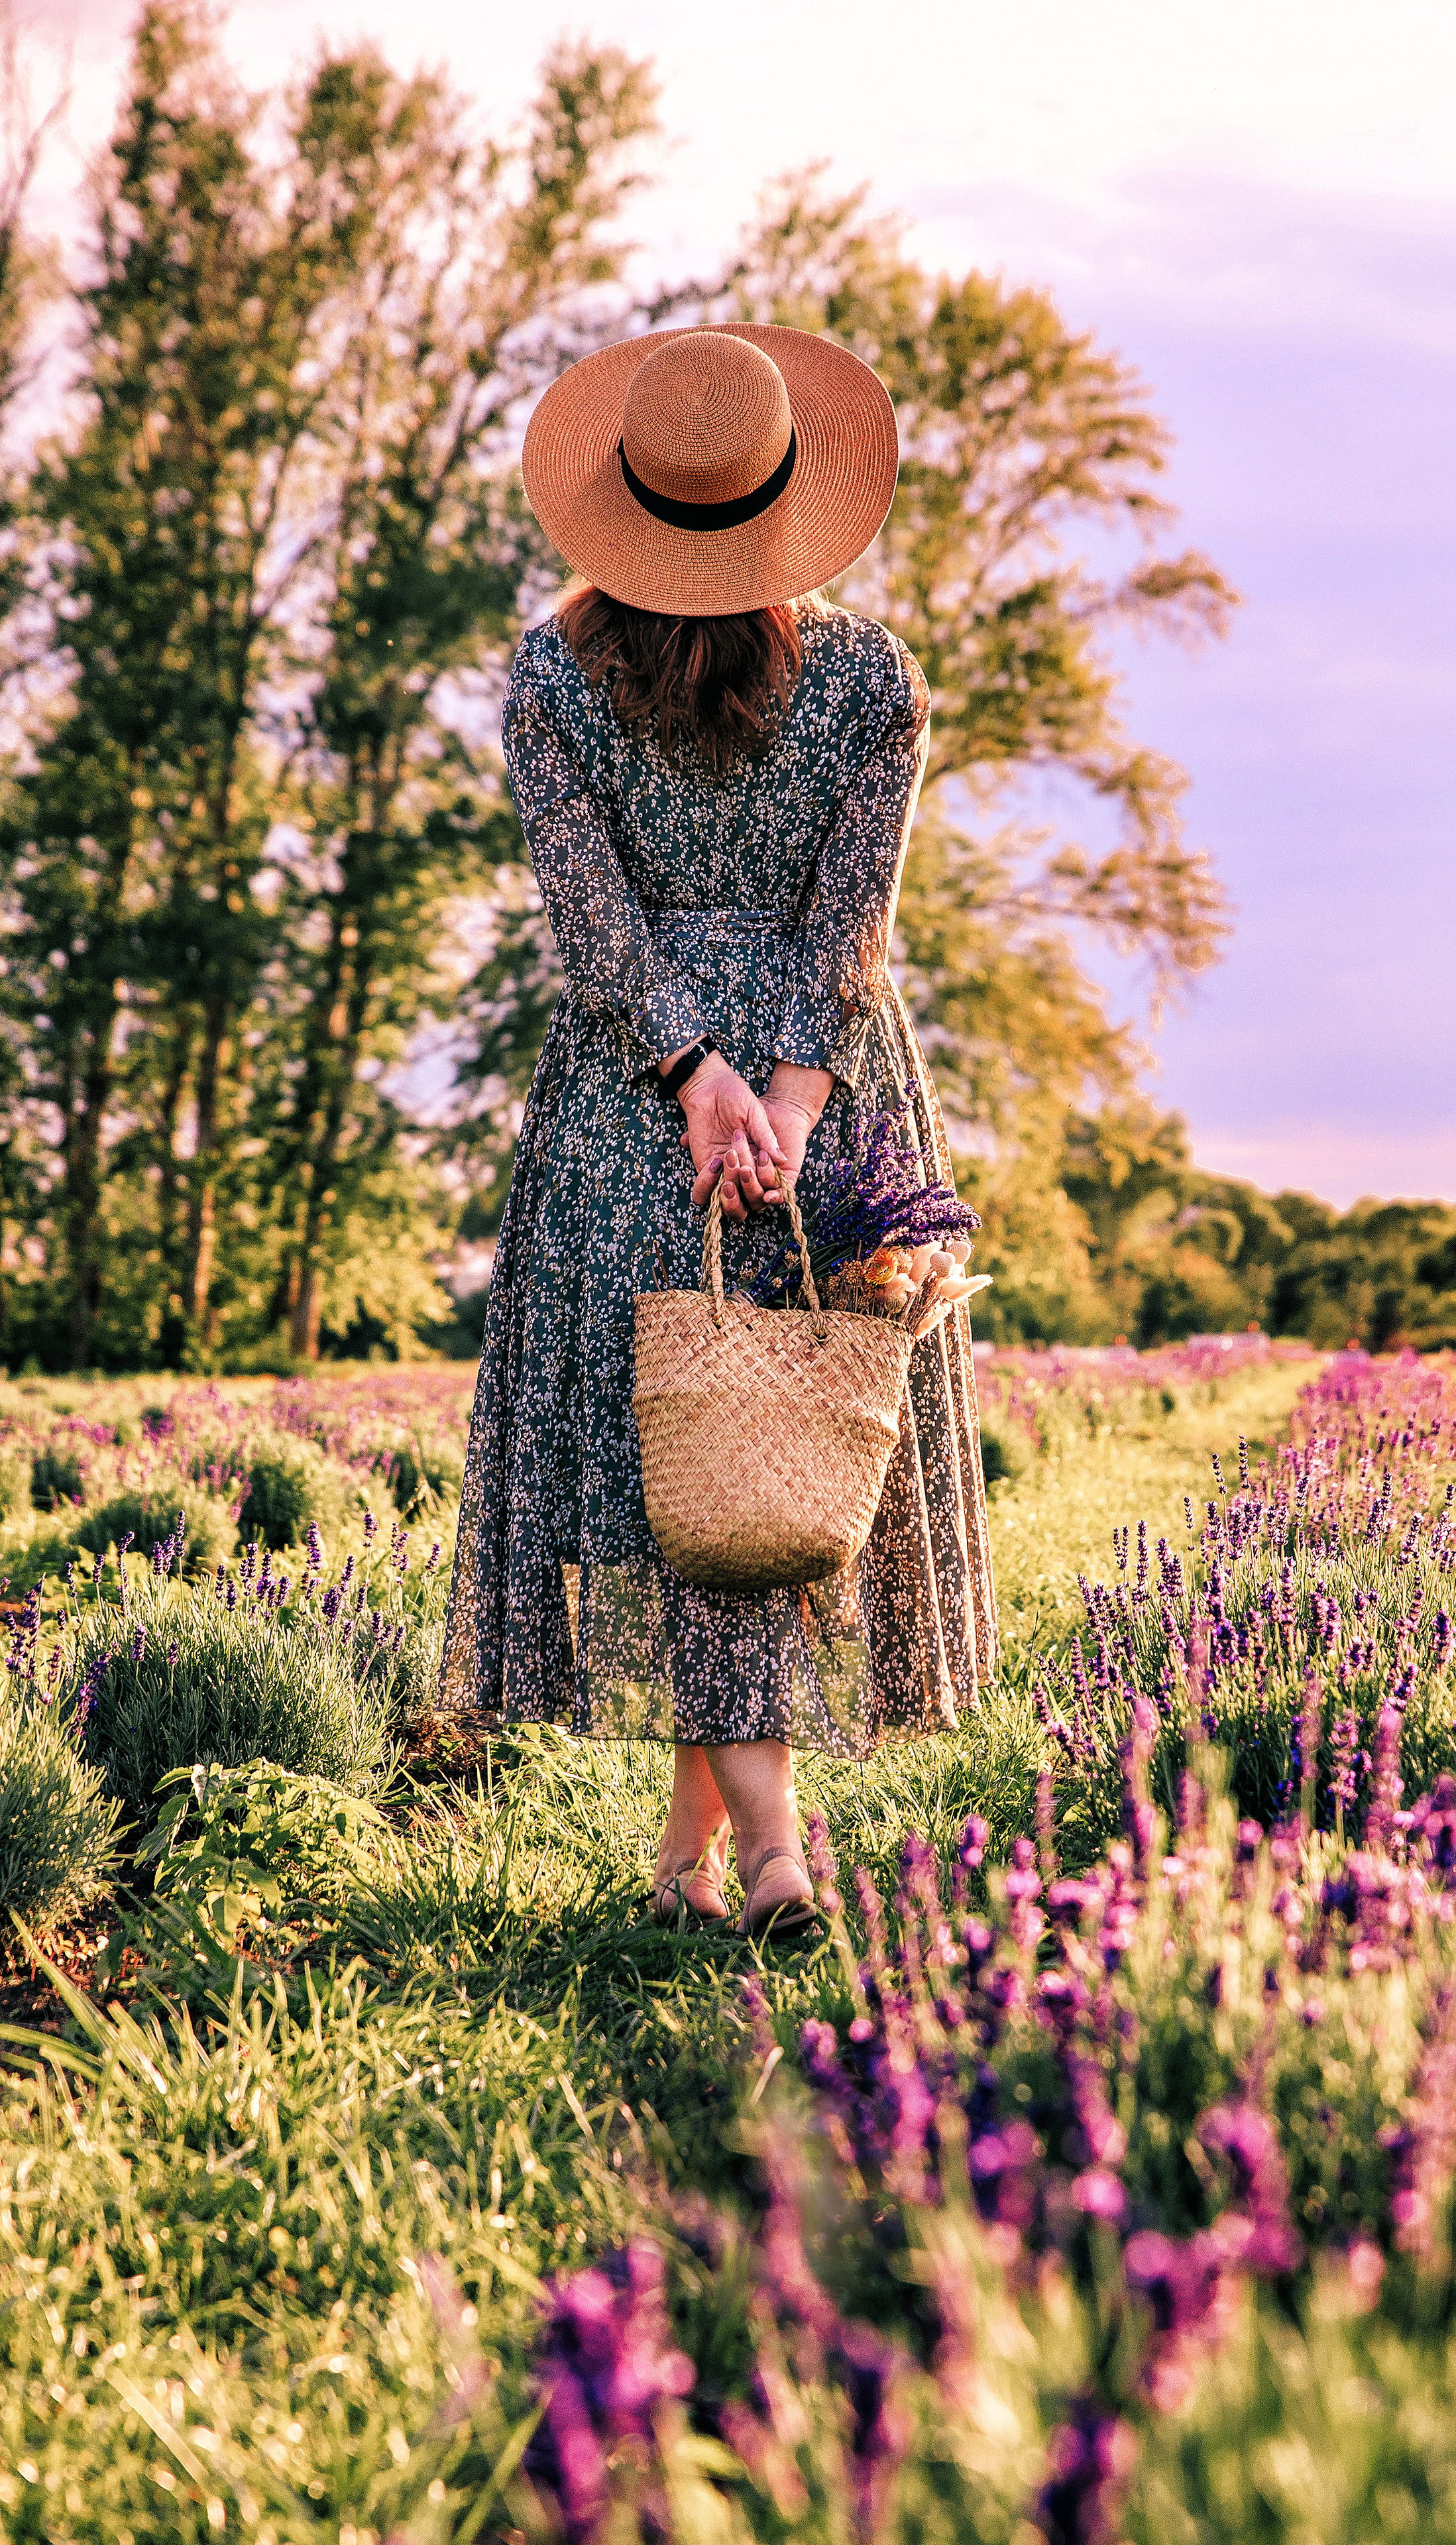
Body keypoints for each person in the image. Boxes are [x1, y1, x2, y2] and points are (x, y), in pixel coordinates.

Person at [438, 324, 997, 1937]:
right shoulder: (876, 679)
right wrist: (795, 1094)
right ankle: (769, 1850)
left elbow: (588, 908)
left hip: (636, 1099)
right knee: (746, 1449)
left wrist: (697, 1075)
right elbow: (852, 911)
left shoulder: (549, 677)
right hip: (819, 1088)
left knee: (710, 1450)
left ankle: (708, 1860)